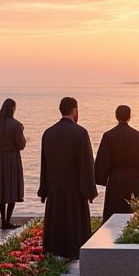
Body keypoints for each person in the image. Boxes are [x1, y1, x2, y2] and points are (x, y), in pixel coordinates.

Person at [38, 97, 97, 259]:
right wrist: (89, 191)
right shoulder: (80, 132)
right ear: (74, 110)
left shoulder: (48, 133)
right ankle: (73, 252)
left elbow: (44, 164)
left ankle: (54, 253)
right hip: (74, 189)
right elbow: (86, 164)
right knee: (74, 225)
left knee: (56, 223)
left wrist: (44, 190)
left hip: (54, 188)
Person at [95, 104, 139, 219]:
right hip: (133, 179)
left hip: (115, 179)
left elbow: (103, 161)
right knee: (132, 212)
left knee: (114, 213)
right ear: (129, 116)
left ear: (116, 116)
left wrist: (100, 178)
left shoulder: (108, 135)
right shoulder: (137, 135)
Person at [0, 98, 26, 230]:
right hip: (12, 159)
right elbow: (21, 145)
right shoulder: (16, 125)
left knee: (1, 190)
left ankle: (3, 220)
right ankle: (7, 221)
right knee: (12, 189)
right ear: (13, 109)